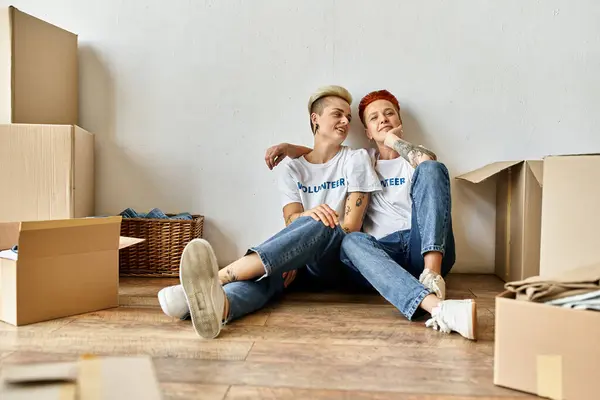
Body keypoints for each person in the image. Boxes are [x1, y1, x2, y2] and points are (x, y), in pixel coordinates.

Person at [157, 85, 382, 339]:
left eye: (348, 118)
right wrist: (292, 254)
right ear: (315, 118)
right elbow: (291, 221)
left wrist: (312, 220)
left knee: (324, 221)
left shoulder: (356, 159)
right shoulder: (293, 170)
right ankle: (219, 306)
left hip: (337, 260)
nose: (345, 121)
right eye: (337, 114)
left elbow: (350, 226)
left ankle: (215, 278)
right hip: (301, 258)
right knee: (269, 275)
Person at [266, 89, 477, 340]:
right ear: (367, 132)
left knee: (433, 169)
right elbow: (323, 155)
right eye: (374, 118)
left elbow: (429, 165)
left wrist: (391, 140)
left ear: (400, 122)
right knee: (352, 240)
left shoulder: (417, 157)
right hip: (381, 253)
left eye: (389, 114)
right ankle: (433, 306)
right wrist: (290, 148)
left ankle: (432, 279)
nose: (383, 119)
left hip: (423, 247)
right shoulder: (361, 158)